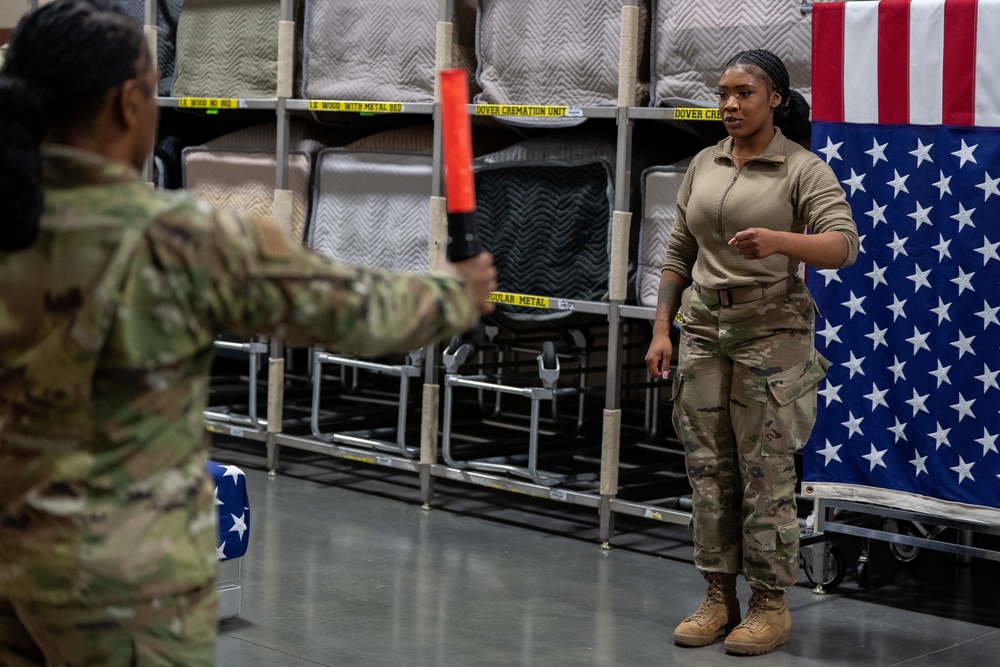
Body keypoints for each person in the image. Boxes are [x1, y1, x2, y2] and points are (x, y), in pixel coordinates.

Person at [0, 1, 496, 665]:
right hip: (121, 582)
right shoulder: (180, 238)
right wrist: (453, 295)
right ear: (127, 105)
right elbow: (350, 310)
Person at [644, 49, 859, 656]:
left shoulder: (801, 169)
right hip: (704, 330)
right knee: (708, 470)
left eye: (744, 93)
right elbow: (678, 250)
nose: (730, 105)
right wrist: (663, 327)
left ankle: (770, 605)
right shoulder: (703, 162)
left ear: (776, 101)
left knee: (765, 475)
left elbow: (843, 246)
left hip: (773, 332)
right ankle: (718, 596)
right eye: (723, 93)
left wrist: (780, 241)